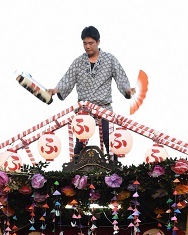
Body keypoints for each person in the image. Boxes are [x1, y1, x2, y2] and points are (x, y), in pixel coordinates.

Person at [48, 25, 134, 155]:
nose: (87, 46)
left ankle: (115, 171)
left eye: (91, 43)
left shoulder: (110, 59)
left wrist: (127, 89)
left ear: (98, 42)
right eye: (85, 43)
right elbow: (67, 79)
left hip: (103, 108)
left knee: (109, 139)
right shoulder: (78, 62)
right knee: (80, 144)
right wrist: (55, 90)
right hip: (84, 109)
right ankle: (76, 171)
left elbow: (120, 77)